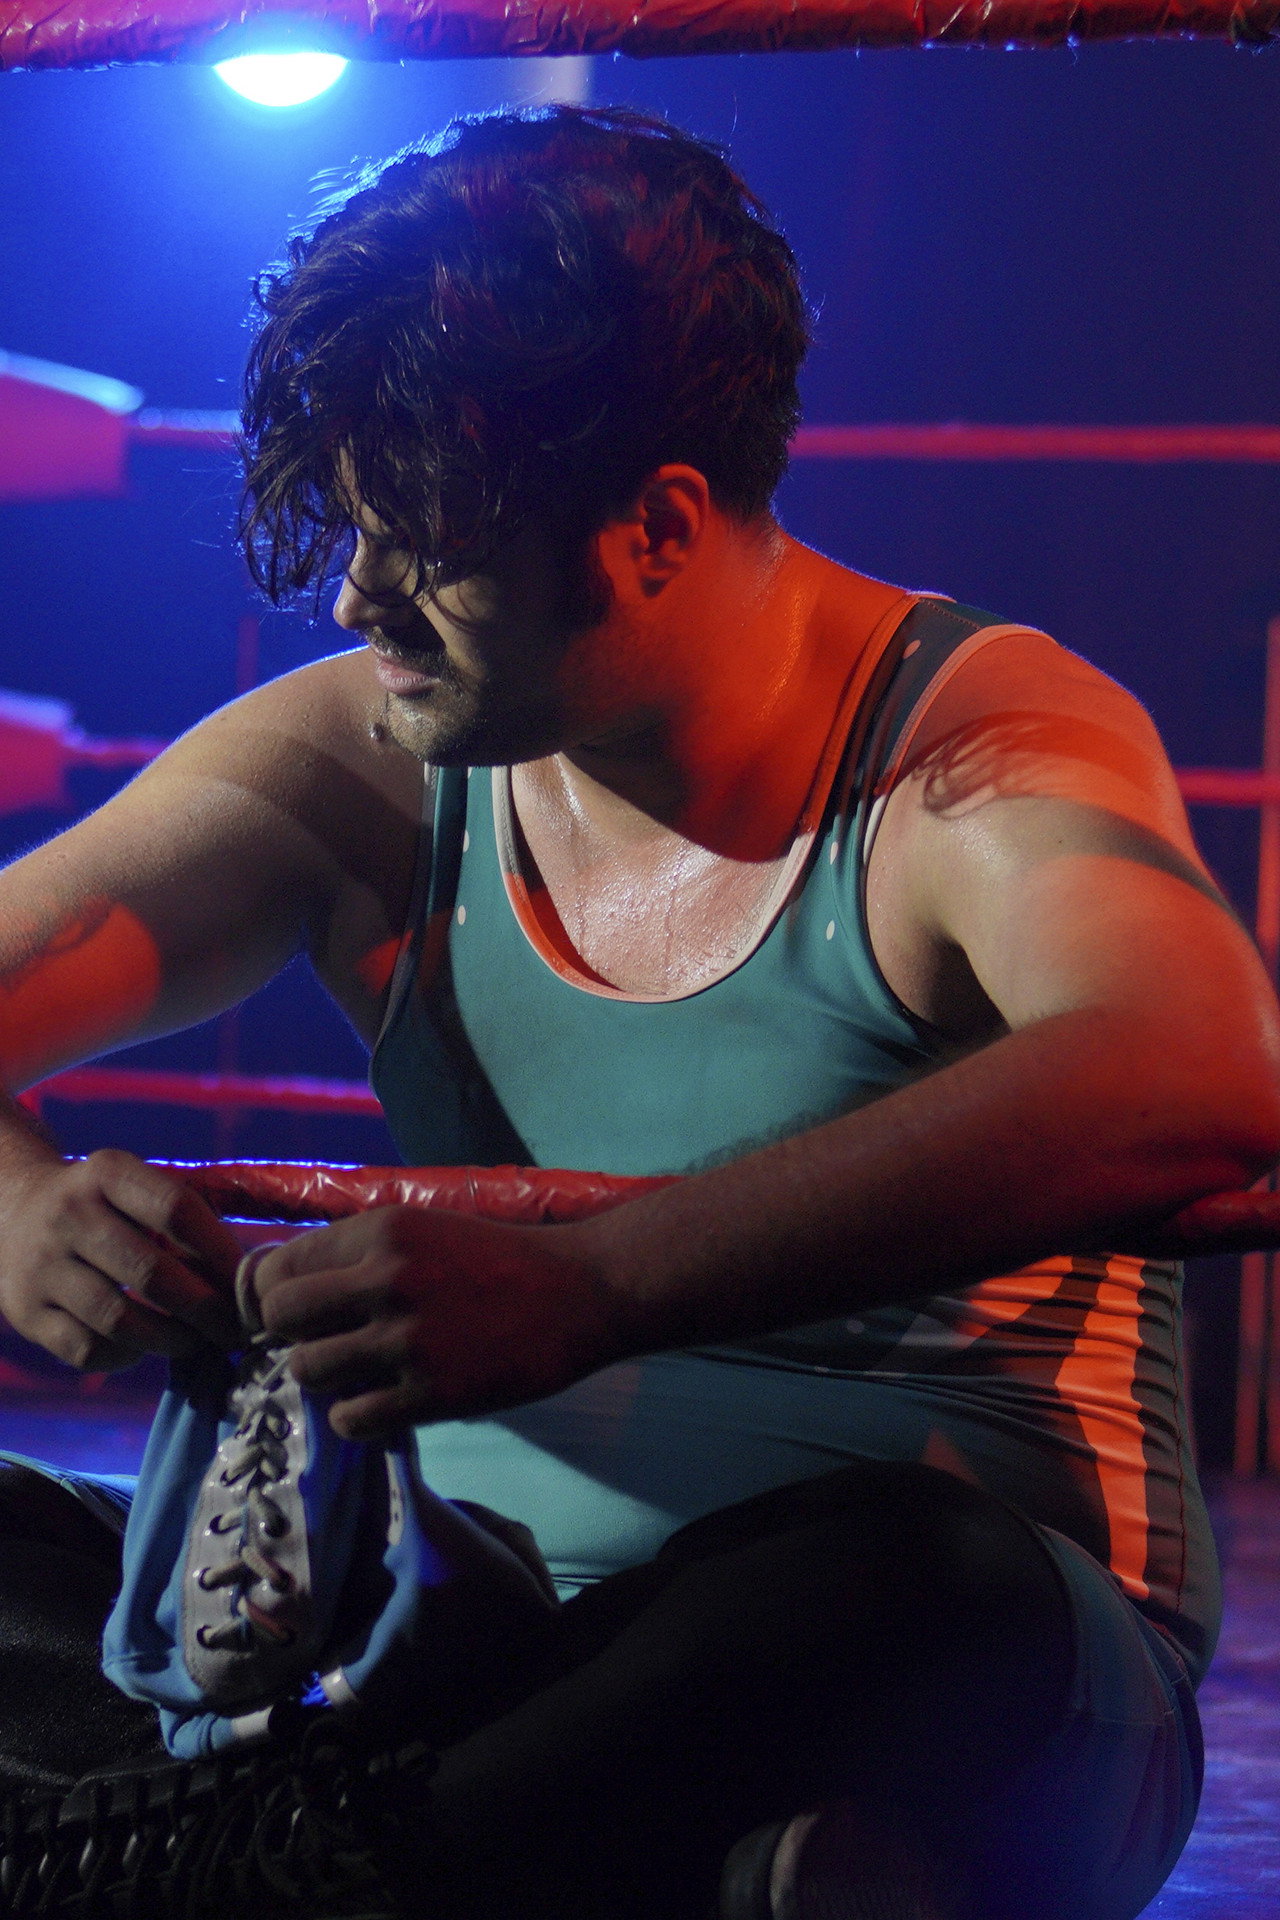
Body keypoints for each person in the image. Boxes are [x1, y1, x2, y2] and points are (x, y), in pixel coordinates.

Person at [0, 103, 1275, 1920]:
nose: (359, 597)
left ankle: (215, 1855)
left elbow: (1202, 1065)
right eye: (352, 528)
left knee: (918, 1581)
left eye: (422, 541)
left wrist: (595, 1285)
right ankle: (327, 1861)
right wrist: (17, 1206)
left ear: (658, 526)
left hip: (911, 1674)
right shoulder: (366, 753)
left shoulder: (974, 751)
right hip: (450, 1649)